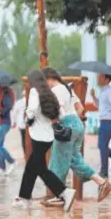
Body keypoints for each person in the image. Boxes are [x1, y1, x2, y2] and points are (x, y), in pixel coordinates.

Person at [42, 67, 111, 203]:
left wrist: (54, 123)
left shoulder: (54, 91)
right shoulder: (68, 89)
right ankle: (102, 182)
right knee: (74, 160)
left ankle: (61, 195)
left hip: (66, 126)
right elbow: (80, 108)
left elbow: (55, 110)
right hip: (77, 125)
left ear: (49, 78)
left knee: (57, 161)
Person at [12, 70, 76, 210]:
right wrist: (50, 120)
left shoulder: (35, 91)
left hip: (37, 136)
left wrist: (28, 119)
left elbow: (32, 109)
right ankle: (24, 197)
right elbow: (62, 115)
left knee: (39, 168)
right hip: (48, 137)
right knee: (32, 167)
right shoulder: (49, 93)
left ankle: (65, 192)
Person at [0, 86, 17, 176]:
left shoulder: (6, 95)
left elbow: (8, 106)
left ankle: (12, 161)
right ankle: (1, 168)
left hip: (3, 123)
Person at [91, 73, 111, 178]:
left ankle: (104, 171)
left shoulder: (109, 92)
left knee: (103, 147)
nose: (98, 79)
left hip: (108, 122)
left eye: (101, 77)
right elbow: (100, 105)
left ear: (107, 80)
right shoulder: (103, 91)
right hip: (104, 122)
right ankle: (104, 170)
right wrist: (94, 96)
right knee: (101, 146)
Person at [10, 90, 28, 157]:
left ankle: (25, 154)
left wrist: (13, 122)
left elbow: (14, 113)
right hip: (31, 125)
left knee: (23, 139)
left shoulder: (19, 102)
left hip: (22, 124)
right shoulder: (32, 101)